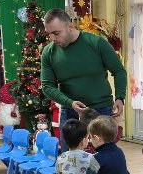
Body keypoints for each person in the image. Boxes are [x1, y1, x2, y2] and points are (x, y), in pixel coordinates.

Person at [40, 8, 127, 152]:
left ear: (70, 26)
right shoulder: (48, 53)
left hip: (102, 111)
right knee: (70, 159)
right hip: (70, 114)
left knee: (102, 159)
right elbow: (47, 86)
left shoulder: (96, 43)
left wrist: (120, 97)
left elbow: (119, 71)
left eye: (56, 33)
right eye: (49, 34)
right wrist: (70, 103)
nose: (52, 38)